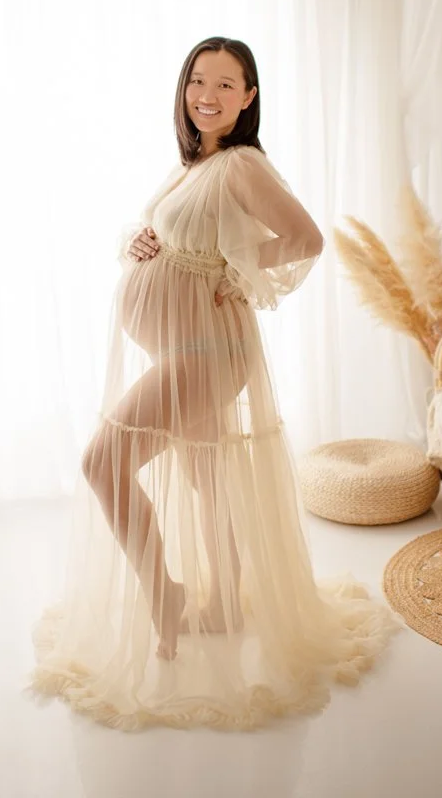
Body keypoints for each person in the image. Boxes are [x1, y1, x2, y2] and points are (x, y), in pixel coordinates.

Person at [30, 36, 396, 730]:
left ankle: (165, 593)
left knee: (102, 461)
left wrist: (237, 267)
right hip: (186, 346)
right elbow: (169, 231)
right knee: (203, 476)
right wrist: (137, 240)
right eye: (199, 80)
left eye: (226, 84)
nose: (208, 93)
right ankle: (224, 601)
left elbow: (305, 238)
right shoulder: (194, 164)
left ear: (249, 97)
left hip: (205, 352)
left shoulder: (242, 164)